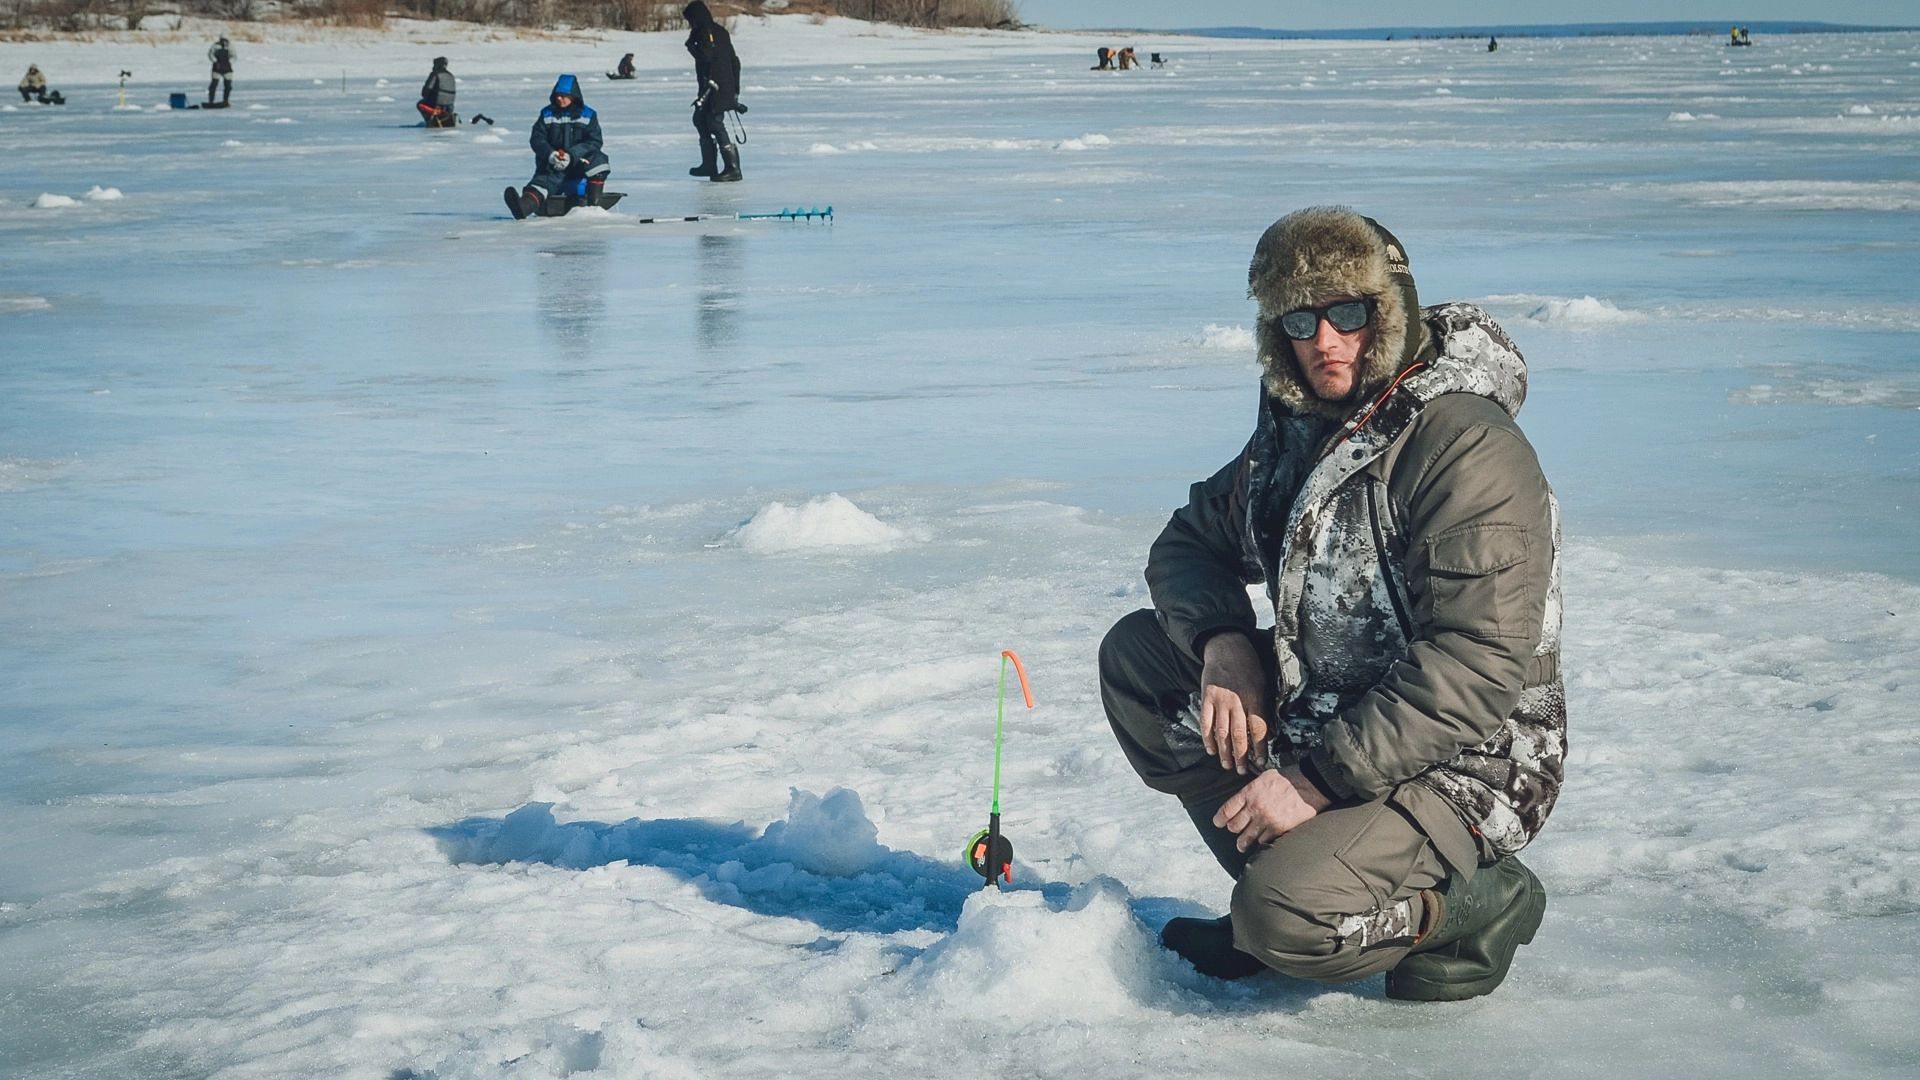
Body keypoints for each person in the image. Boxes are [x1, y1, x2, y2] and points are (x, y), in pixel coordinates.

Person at [1100, 206, 1564, 1002]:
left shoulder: (1463, 445)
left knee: (1287, 921)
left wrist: (1313, 782)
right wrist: (1225, 643)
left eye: (1348, 313)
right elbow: (1189, 544)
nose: (1324, 339)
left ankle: (1471, 905)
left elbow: (1478, 667)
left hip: (1467, 757)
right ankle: (1287, 878)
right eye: (1300, 317)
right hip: (1333, 709)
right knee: (1142, 660)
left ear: (1392, 312)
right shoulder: (1300, 433)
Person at [504, 74, 610, 219]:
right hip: (553, 165)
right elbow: (537, 139)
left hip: (579, 164)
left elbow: (594, 142)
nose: (559, 98)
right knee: (542, 183)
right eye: (557, 95)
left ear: (573, 96)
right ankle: (523, 207)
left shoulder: (589, 115)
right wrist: (551, 155)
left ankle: (593, 206)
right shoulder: (546, 114)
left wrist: (572, 155)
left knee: (599, 160)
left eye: (563, 96)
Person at [683, 2, 742, 182]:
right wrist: (735, 88)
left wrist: (690, 45)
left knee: (715, 123)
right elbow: (735, 61)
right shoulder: (720, 31)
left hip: (717, 86)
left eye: (690, 20)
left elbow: (706, 56)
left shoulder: (704, 32)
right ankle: (709, 164)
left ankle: (733, 168)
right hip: (719, 85)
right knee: (700, 119)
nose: (690, 24)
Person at [417, 56, 456, 127]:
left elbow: (426, 90)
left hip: (436, 105)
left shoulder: (435, 74)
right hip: (450, 107)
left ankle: (431, 121)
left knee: (420, 104)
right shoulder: (451, 75)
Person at [207, 35, 235, 106]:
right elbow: (210, 54)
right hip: (217, 68)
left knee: (228, 86)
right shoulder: (215, 45)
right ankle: (211, 101)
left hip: (227, 69)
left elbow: (234, 56)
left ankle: (226, 100)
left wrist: (229, 62)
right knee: (213, 85)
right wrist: (215, 61)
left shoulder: (230, 46)